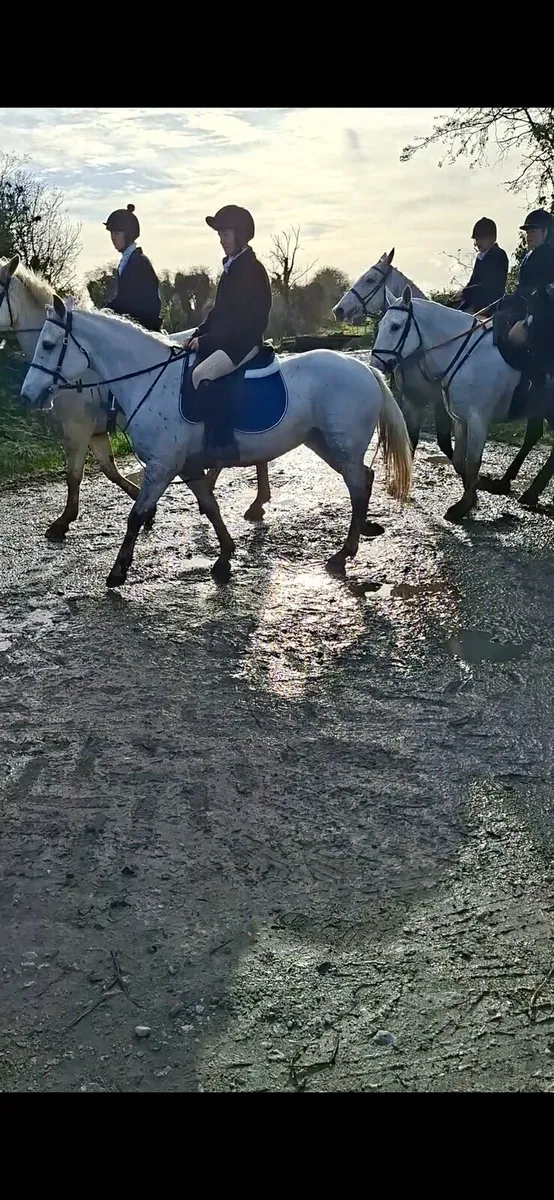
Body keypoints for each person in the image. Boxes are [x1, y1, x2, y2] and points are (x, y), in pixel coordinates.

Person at [185, 205, 272, 391]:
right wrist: (196, 334)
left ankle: (216, 421)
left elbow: (243, 323)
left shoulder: (252, 270)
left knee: (200, 375)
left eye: (225, 235)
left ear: (239, 235)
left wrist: (207, 341)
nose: (221, 241)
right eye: (219, 236)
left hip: (242, 345)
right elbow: (218, 313)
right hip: (226, 341)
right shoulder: (230, 268)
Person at [103, 203, 162, 332]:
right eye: (112, 233)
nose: (113, 238)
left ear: (128, 235)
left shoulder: (139, 262)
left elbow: (128, 300)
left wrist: (105, 312)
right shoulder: (127, 261)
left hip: (145, 329)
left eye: (117, 233)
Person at [458, 217, 508, 316]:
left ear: (492, 238)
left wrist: (465, 292)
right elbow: (473, 280)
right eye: (476, 239)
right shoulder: (480, 257)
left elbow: (490, 285)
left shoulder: (498, 255)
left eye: (482, 239)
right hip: (475, 303)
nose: (478, 243)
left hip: (491, 304)